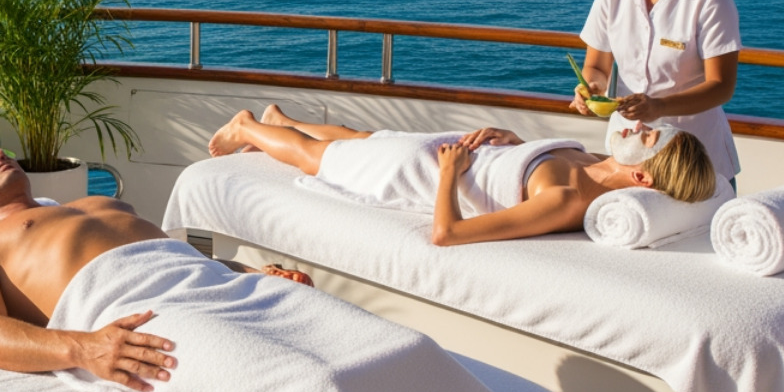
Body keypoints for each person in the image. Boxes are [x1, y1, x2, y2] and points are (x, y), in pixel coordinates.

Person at [0, 136, 309, 392]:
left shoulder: (94, 204)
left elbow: (175, 252)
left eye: (0, 151)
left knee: (358, 342)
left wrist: (254, 272)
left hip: (218, 283)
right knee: (303, 380)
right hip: (148, 309)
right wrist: (83, 349)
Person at [206, 104, 716, 246]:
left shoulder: (567, 198)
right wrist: (513, 141)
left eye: (648, 140)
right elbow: (523, 170)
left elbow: (446, 234)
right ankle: (282, 118)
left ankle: (249, 127)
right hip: (450, 149)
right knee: (360, 137)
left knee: (313, 157)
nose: (639, 130)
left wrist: (449, 173)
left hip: (427, 170)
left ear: (645, 180)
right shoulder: (591, 161)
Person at [572, 0, 742, 182]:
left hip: (694, 161)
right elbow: (597, 66)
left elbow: (721, 86)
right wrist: (593, 89)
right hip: (627, 156)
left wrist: (659, 106)